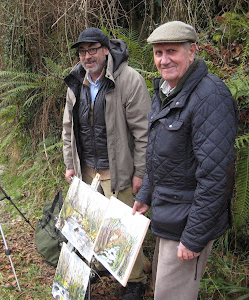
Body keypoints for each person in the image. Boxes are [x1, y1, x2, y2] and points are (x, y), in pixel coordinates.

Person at [133, 21, 238, 299]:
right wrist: (146, 194)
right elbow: (159, 154)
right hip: (167, 215)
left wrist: (193, 237)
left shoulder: (210, 96)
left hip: (187, 222)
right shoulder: (167, 92)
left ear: (192, 51)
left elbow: (217, 175)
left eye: (172, 51)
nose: (164, 60)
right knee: (162, 291)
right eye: (158, 53)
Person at [62, 27, 151, 299]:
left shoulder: (129, 80)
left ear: (105, 50)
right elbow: (68, 127)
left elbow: (143, 132)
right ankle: (97, 267)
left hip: (118, 170)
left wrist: (140, 172)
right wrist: (70, 164)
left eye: (92, 50)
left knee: (123, 229)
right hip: (87, 169)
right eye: (82, 51)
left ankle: (135, 280)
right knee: (88, 226)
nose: (87, 56)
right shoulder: (76, 81)